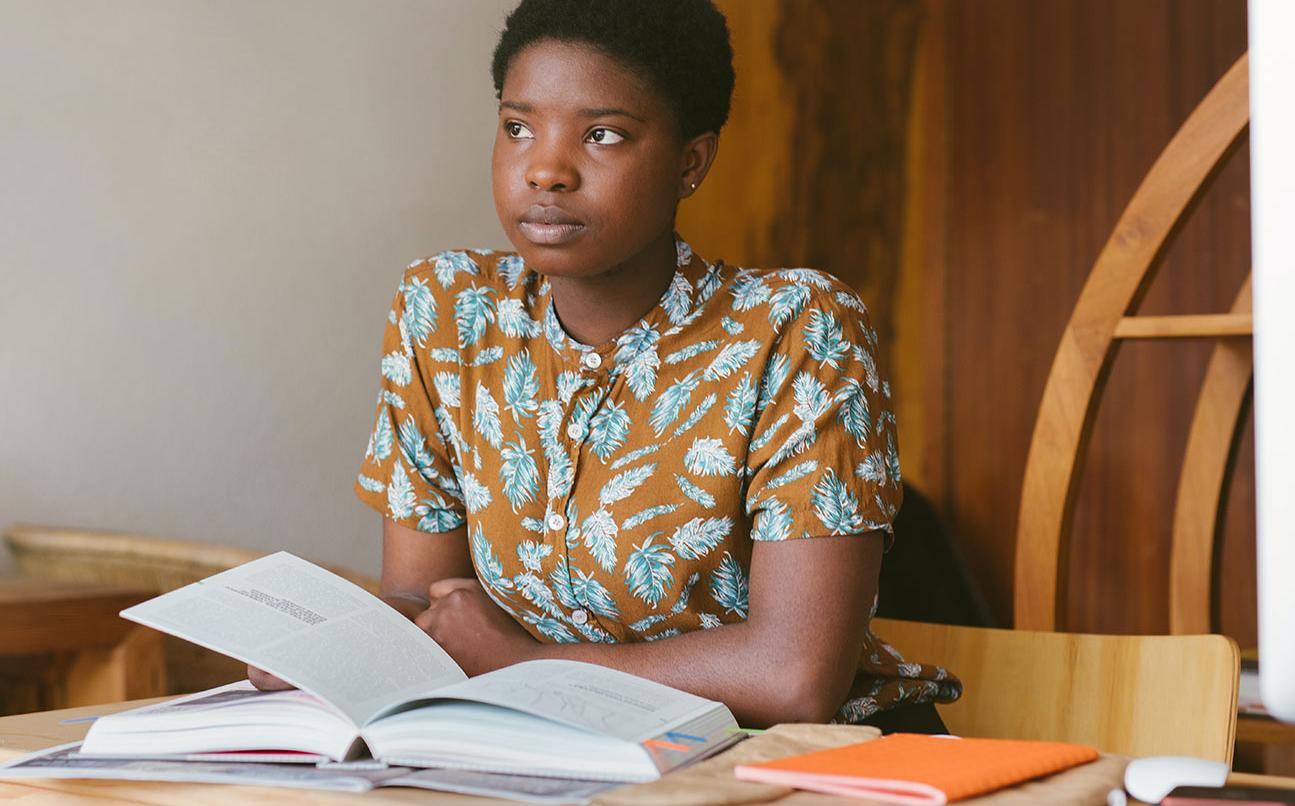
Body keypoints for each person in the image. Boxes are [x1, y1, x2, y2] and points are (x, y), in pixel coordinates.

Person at [251, 0, 960, 732]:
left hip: (789, 763)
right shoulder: (448, 314)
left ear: (691, 161)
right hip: (556, 746)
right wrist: (339, 646)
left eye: (602, 135)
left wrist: (523, 666)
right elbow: (431, 602)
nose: (546, 170)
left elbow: (794, 678)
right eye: (518, 126)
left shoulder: (795, 330)